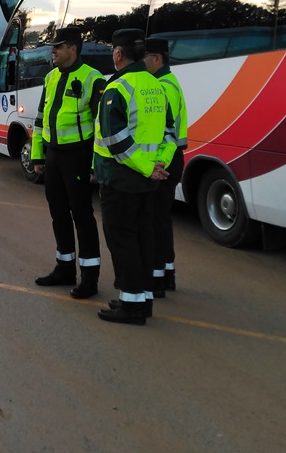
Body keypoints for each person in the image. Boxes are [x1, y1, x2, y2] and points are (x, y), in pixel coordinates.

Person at [93, 28, 174, 325]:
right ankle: (142, 298)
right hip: (147, 180)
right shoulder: (156, 86)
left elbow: (114, 139)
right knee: (142, 237)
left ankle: (131, 304)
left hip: (121, 179)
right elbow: (169, 134)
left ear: (117, 54)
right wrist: (157, 164)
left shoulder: (117, 88)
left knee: (122, 239)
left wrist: (144, 166)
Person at [31, 26, 107, 300]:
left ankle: (90, 278)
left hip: (78, 155)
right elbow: (41, 119)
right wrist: (38, 156)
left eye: (58, 47)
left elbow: (102, 127)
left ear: (73, 49)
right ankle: (64, 269)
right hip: (53, 156)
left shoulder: (93, 78)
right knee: (58, 214)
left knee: (82, 217)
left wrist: (94, 164)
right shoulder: (51, 77)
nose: (53, 51)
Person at [144, 37, 187, 297]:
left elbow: (164, 131)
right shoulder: (169, 82)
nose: (141, 62)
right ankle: (166, 273)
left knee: (154, 221)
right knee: (161, 219)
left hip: (165, 160)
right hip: (171, 158)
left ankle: (157, 279)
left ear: (157, 58)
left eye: (145, 57)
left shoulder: (163, 87)